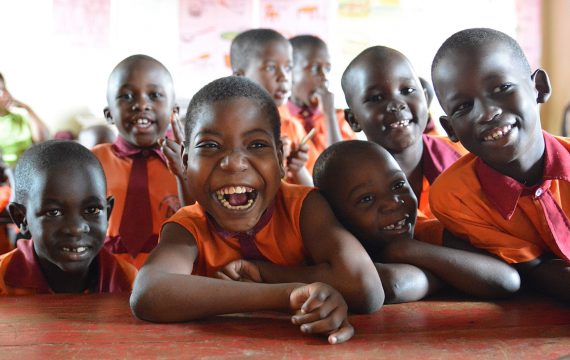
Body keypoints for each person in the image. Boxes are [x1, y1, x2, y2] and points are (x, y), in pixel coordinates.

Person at [130, 76, 383, 344]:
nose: (234, 163)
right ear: (184, 161)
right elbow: (149, 291)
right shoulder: (188, 227)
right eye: (210, 146)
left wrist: (263, 274)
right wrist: (287, 295)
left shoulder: (302, 207)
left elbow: (365, 288)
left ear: (279, 159)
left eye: (257, 145)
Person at [429, 27, 570, 302]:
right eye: (463, 106)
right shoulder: (456, 197)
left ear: (538, 88)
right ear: (451, 128)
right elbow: (537, 269)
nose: (487, 112)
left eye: (502, 88)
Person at [313, 140, 520, 303]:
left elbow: (507, 280)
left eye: (398, 185)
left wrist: (407, 250)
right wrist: (451, 277)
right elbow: (390, 284)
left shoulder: (425, 231)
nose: (393, 203)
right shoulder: (332, 251)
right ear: (333, 213)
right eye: (366, 199)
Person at [341, 46, 467, 245]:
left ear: (425, 98)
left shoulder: (461, 158)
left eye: (407, 90)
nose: (396, 104)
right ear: (353, 119)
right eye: (376, 98)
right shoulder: (346, 183)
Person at [0, 140, 137, 295]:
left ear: (108, 212)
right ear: (21, 218)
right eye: (54, 212)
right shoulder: (2, 283)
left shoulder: (127, 283)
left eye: (92, 210)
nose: (75, 228)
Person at [93, 54, 189, 269]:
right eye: (126, 96)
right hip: (104, 275)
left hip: (172, 277)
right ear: (109, 114)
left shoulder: (189, 162)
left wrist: (185, 173)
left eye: (154, 95)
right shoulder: (91, 163)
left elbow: (202, 224)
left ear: (174, 110)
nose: (141, 104)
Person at [230, 28, 316, 185]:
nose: (283, 77)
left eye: (288, 68)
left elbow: (315, 191)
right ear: (240, 77)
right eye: (270, 67)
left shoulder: (291, 126)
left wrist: (297, 168)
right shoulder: (227, 130)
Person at [288, 35, 356, 152]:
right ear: (290, 72)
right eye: (315, 69)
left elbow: (343, 163)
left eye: (327, 69)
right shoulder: (279, 118)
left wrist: (329, 115)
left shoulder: (339, 118)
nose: (324, 77)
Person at [0, 72, 50, 166]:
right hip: (10, 173)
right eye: (0, 90)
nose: (6, 94)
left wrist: (27, 108)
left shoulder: (19, 117)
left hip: (33, 166)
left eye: (4, 88)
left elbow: (44, 140)